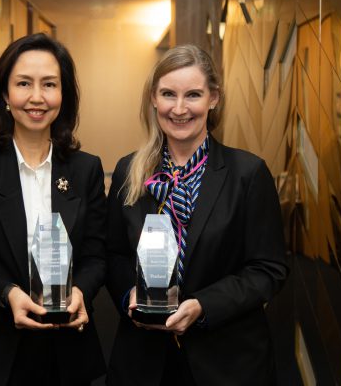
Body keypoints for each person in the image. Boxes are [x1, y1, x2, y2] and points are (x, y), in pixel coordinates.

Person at [105, 44, 288, 385]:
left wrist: (203, 305)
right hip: (144, 360)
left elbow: (268, 270)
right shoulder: (128, 171)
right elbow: (113, 253)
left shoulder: (248, 174)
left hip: (226, 361)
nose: (179, 108)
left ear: (213, 98)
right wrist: (130, 294)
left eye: (193, 95)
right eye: (168, 94)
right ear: (153, 99)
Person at [0, 33, 107, 386]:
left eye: (49, 84)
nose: (36, 97)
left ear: (64, 95)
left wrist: (80, 292)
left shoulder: (86, 169)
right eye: (23, 84)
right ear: (4, 94)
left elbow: (97, 256)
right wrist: (9, 295)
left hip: (66, 351)